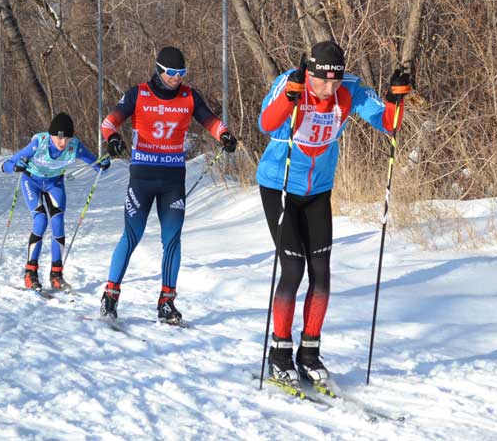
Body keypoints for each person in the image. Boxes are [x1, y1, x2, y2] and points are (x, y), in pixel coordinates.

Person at [257, 40, 412, 386]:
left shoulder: (351, 90)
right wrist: (291, 96)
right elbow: (266, 124)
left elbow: (389, 123)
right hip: (279, 186)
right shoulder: (291, 81)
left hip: (318, 191)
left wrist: (396, 97)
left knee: (322, 273)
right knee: (293, 268)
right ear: (310, 73)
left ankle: (309, 351)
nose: (329, 88)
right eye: (322, 81)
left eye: (335, 81)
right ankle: (279, 351)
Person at [99, 46, 238, 324]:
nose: (177, 78)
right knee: (132, 235)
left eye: (182, 73)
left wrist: (224, 135)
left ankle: (166, 302)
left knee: (172, 240)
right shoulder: (138, 93)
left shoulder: (189, 96)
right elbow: (109, 121)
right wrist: (112, 138)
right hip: (142, 178)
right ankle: (110, 295)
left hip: (173, 179)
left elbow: (210, 120)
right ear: (159, 71)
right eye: (172, 73)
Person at [1, 112, 110, 292]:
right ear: (51, 135)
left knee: (58, 223)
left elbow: (96, 164)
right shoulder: (39, 142)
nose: (62, 143)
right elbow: (7, 164)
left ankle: (56, 275)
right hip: (32, 181)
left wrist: (105, 162)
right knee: (40, 220)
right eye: (59, 138)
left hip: (54, 183)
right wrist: (15, 167)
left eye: (66, 138)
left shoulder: (74, 146)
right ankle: (30, 273)